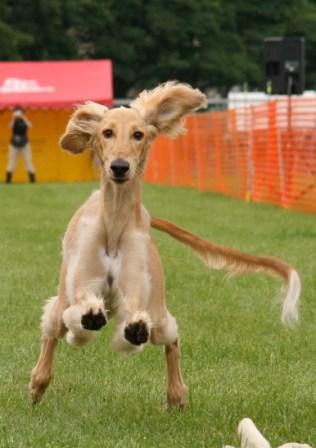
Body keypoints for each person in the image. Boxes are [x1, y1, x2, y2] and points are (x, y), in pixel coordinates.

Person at [5, 106, 36, 183]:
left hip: (25, 144)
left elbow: (30, 125)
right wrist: (13, 118)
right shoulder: (14, 120)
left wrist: (23, 117)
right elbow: (10, 126)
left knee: (28, 161)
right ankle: (8, 180)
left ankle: (32, 180)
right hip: (13, 144)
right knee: (12, 162)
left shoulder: (24, 120)